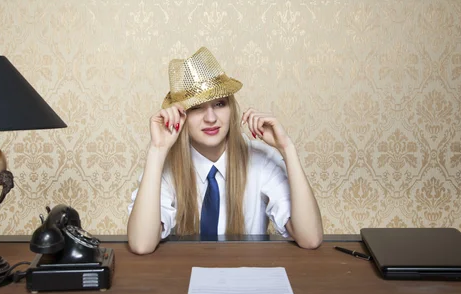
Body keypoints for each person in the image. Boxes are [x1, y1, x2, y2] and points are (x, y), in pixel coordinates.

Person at [127, 47, 323, 254]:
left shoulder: (261, 160)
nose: (211, 118)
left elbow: (310, 238)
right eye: (196, 107)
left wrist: (287, 148)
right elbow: (142, 244)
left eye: (219, 104)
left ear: (231, 109)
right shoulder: (166, 167)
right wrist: (157, 150)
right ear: (180, 115)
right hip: (183, 278)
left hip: (247, 276)